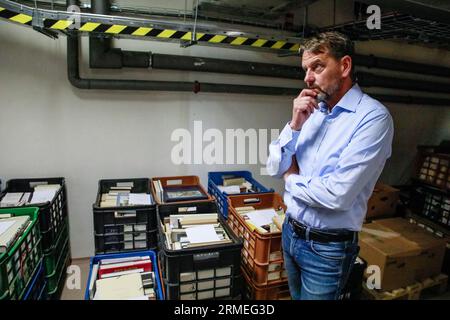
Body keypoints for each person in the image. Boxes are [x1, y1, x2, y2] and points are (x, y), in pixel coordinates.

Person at [266, 31, 394, 300]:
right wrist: (294, 125)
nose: (307, 78)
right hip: (290, 233)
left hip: (327, 248)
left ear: (345, 66)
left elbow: (337, 194)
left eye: (317, 67)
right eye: (305, 69)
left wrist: (291, 180)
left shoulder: (372, 118)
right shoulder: (311, 111)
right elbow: (274, 166)